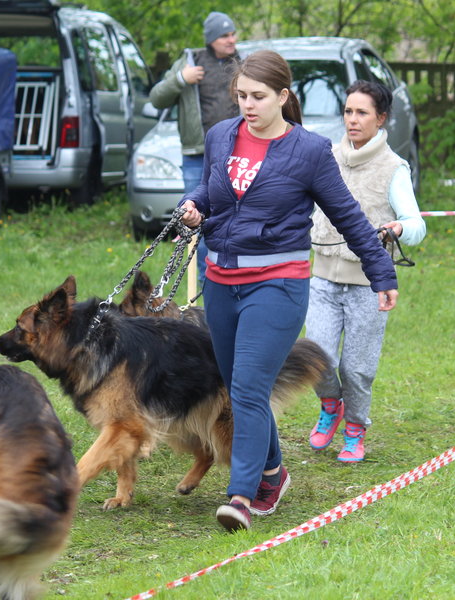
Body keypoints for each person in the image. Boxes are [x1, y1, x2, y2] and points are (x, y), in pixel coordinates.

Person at [178, 51, 399, 532]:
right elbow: (208, 193)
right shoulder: (221, 136)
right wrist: (191, 205)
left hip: (277, 284)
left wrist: (381, 273)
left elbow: (349, 217)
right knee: (242, 390)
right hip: (221, 283)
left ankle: (241, 497)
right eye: (241, 96)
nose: (247, 105)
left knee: (247, 389)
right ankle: (274, 474)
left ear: (282, 96)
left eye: (258, 97)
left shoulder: (309, 151)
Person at [306, 80, 427, 463]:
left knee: (357, 369)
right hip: (322, 279)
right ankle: (331, 405)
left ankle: (355, 428)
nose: (353, 120)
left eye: (362, 112)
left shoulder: (394, 168)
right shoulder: (324, 157)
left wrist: (399, 228)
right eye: (348, 111)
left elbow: (417, 224)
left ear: (381, 118)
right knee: (317, 357)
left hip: (367, 286)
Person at [149, 11, 240, 283]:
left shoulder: (243, 62)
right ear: (211, 39)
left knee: (234, 217)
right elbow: (156, 99)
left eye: (233, 34)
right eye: (224, 35)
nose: (231, 40)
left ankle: (233, 275)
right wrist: (181, 79)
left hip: (237, 154)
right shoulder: (190, 62)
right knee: (196, 216)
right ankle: (204, 280)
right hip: (197, 156)